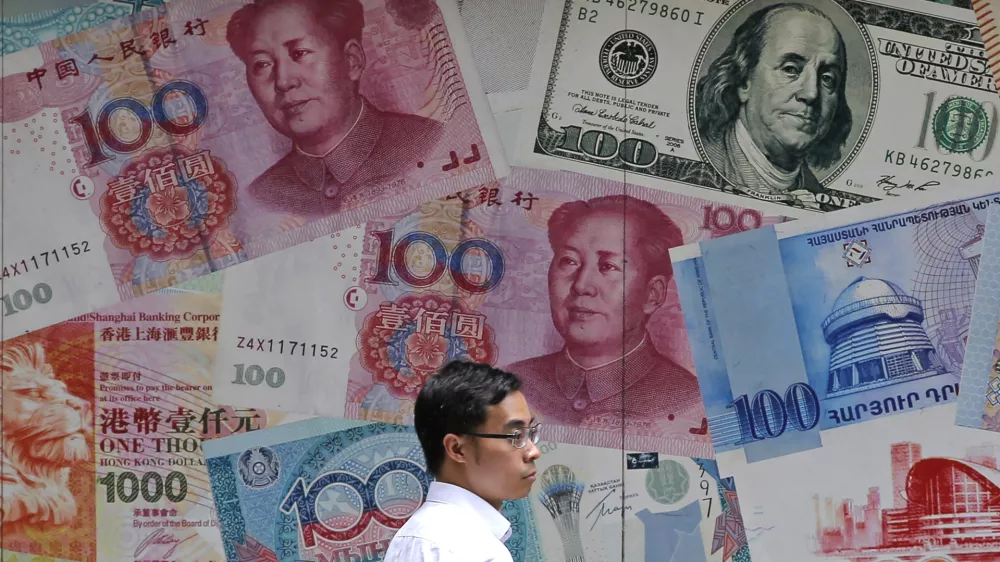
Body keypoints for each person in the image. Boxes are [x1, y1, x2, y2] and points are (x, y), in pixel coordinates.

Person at [505, 195, 705, 433]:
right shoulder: (510, 382)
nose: (581, 285)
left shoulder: (691, 401)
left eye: (608, 266)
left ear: (653, 294)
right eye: (569, 261)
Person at [226, 0, 444, 217]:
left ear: (352, 61)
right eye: (262, 64)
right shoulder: (263, 196)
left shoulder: (431, 142)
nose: (283, 81)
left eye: (300, 53)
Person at [695, 3, 853, 210]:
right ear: (744, 80)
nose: (811, 93)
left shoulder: (826, 207)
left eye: (827, 78)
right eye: (790, 69)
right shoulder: (701, 168)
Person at [385, 361, 541, 562]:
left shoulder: (423, 535)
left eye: (531, 432)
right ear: (457, 449)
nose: (533, 452)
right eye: (515, 435)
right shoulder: (466, 547)